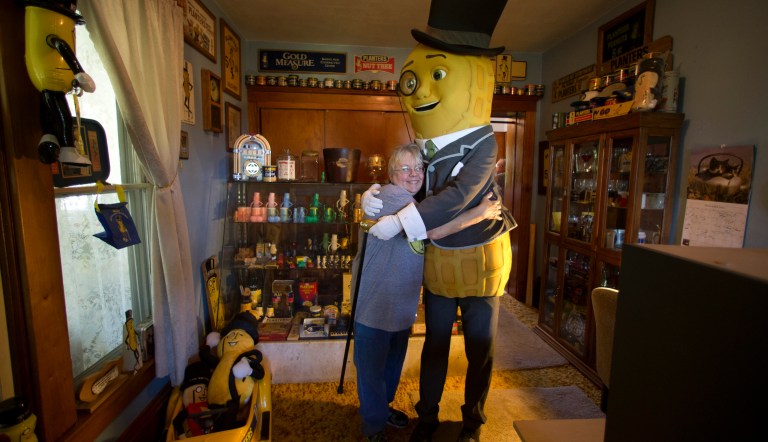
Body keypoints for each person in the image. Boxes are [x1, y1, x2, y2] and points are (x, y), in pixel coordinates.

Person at [361, 1, 514, 441]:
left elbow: (456, 196)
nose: (422, 88)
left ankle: (473, 421)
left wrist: (400, 221)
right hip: (440, 262)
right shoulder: (423, 147)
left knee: (481, 349)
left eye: (439, 74)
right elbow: (405, 180)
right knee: (435, 344)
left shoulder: (485, 142)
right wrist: (370, 196)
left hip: (483, 261)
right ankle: (426, 417)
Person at [352, 143, 502, 442]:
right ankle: (373, 427)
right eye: (405, 168)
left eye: (419, 168)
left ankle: (383, 409)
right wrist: (482, 212)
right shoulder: (393, 199)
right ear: (392, 173)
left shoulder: (416, 200)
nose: (414, 174)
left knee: (391, 365)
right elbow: (434, 229)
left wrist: (369, 189)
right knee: (371, 371)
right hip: (374, 305)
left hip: (400, 307)